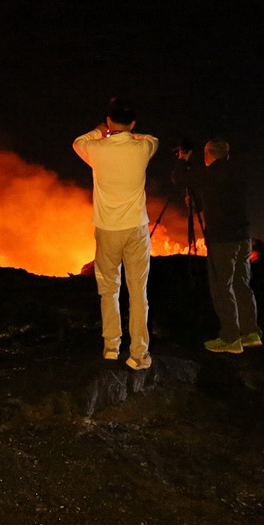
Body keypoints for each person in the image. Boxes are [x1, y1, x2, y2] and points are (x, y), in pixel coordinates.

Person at [73, 98, 159, 369]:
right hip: (136, 228)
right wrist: (130, 133)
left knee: (109, 290)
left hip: (107, 228)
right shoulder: (143, 147)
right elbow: (151, 138)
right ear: (133, 124)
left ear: (109, 121)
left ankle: (111, 347)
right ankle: (138, 354)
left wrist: (100, 130)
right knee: (138, 292)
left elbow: (78, 142)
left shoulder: (96, 148)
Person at [173, 139, 263, 354]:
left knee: (222, 287)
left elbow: (178, 178)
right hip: (243, 237)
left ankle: (231, 338)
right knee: (242, 284)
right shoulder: (236, 173)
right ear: (227, 155)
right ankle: (251, 332)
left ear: (208, 155)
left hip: (223, 239)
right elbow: (218, 198)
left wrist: (182, 161)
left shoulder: (208, 173)